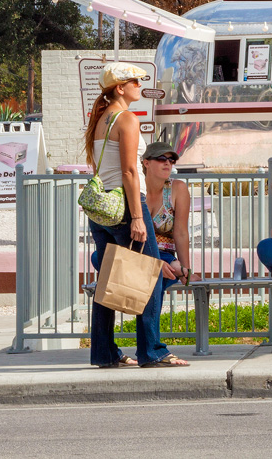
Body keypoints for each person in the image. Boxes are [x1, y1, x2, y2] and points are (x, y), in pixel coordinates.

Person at [85, 62, 188, 368]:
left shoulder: (99, 118)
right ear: (120, 88)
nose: (139, 88)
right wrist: (138, 216)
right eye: (134, 82)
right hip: (128, 206)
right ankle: (153, 351)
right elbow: (131, 171)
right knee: (152, 275)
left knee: (107, 281)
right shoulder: (126, 119)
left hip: (103, 208)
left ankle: (104, 352)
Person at [142, 140, 192, 300]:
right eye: (161, 158)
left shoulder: (177, 189)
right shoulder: (135, 188)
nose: (167, 163)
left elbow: (181, 233)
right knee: (98, 257)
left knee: (167, 271)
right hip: (138, 254)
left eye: (171, 160)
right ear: (146, 163)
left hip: (165, 255)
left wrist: (186, 270)